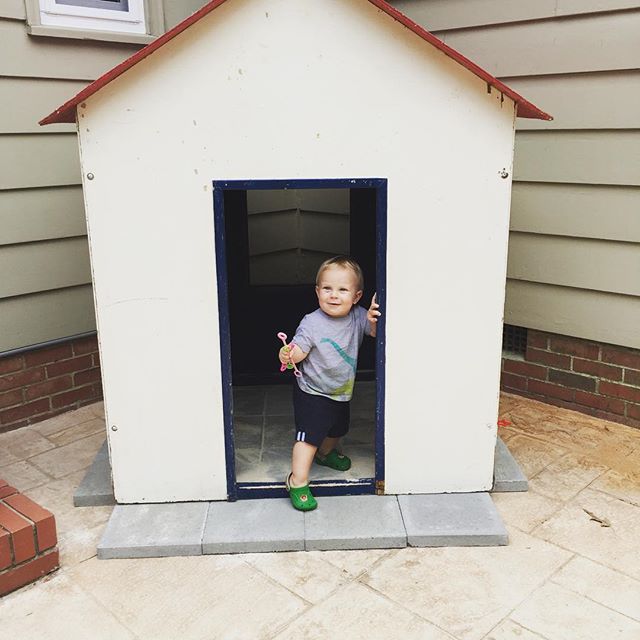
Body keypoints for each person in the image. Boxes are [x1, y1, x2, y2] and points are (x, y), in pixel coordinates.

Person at [278, 256, 380, 511]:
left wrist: (373, 318)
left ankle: (325, 455)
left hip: (340, 390)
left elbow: (375, 333)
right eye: (327, 289)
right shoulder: (312, 322)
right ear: (317, 292)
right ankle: (297, 480)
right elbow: (300, 348)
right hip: (312, 390)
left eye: (342, 290)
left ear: (356, 297)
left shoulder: (357, 316)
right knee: (308, 436)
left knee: (337, 429)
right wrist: (290, 354)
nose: (334, 295)